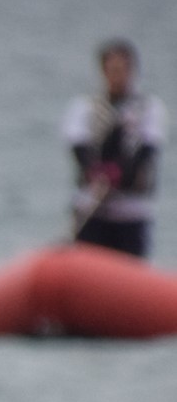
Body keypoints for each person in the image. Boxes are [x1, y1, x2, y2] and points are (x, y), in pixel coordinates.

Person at [65, 38, 165, 258]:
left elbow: (146, 152)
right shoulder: (84, 108)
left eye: (122, 69)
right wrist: (96, 173)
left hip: (131, 213)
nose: (117, 75)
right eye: (112, 69)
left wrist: (121, 173)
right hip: (92, 210)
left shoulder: (149, 109)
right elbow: (80, 151)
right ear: (103, 71)